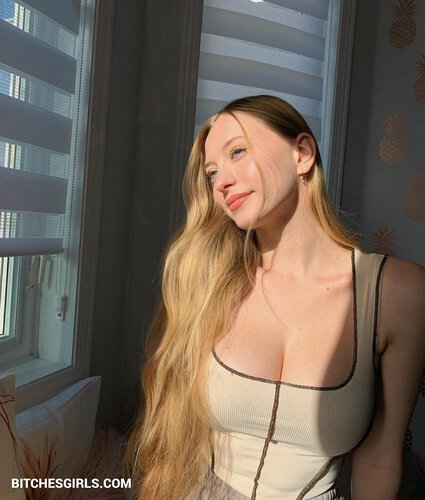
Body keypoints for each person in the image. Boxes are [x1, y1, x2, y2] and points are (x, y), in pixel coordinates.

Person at [125, 95, 425, 499]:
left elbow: (379, 459)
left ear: (302, 154)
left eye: (237, 152)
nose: (221, 182)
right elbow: (174, 439)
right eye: (211, 173)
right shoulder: (212, 286)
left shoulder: (399, 294)